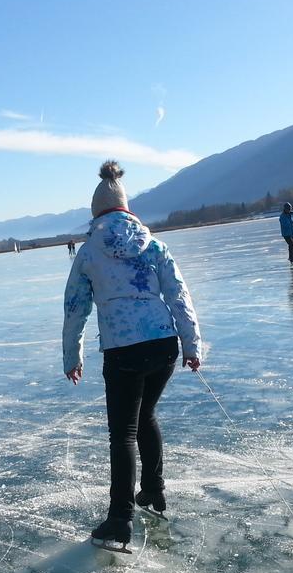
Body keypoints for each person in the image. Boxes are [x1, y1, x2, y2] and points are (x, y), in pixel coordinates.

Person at [63, 160, 202, 551]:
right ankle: (153, 493)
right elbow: (179, 295)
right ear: (127, 208)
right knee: (146, 418)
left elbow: (75, 307)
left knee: (122, 432)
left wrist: (71, 355)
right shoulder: (154, 244)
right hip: (163, 346)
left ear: (96, 213)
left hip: (123, 350)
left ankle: (119, 519)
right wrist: (192, 345)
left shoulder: (90, 252)